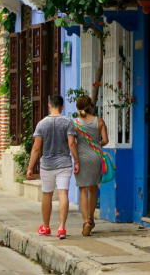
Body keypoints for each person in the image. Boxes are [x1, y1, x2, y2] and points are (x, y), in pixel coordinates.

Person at [26, 95, 79, 239]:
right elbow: (72, 143)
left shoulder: (41, 124)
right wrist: (76, 161)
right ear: (62, 107)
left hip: (47, 165)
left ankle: (46, 227)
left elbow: (36, 148)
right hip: (64, 164)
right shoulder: (68, 122)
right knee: (63, 194)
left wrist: (30, 168)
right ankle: (61, 228)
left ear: (49, 105)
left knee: (47, 194)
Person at [72, 95, 108, 236]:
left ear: (78, 108)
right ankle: (91, 218)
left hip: (82, 158)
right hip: (96, 158)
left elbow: (71, 142)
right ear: (90, 107)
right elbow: (105, 140)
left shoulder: (75, 124)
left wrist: (76, 160)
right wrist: (98, 143)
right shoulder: (99, 121)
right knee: (93, 189)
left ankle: (85, 221)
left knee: (83, 189)